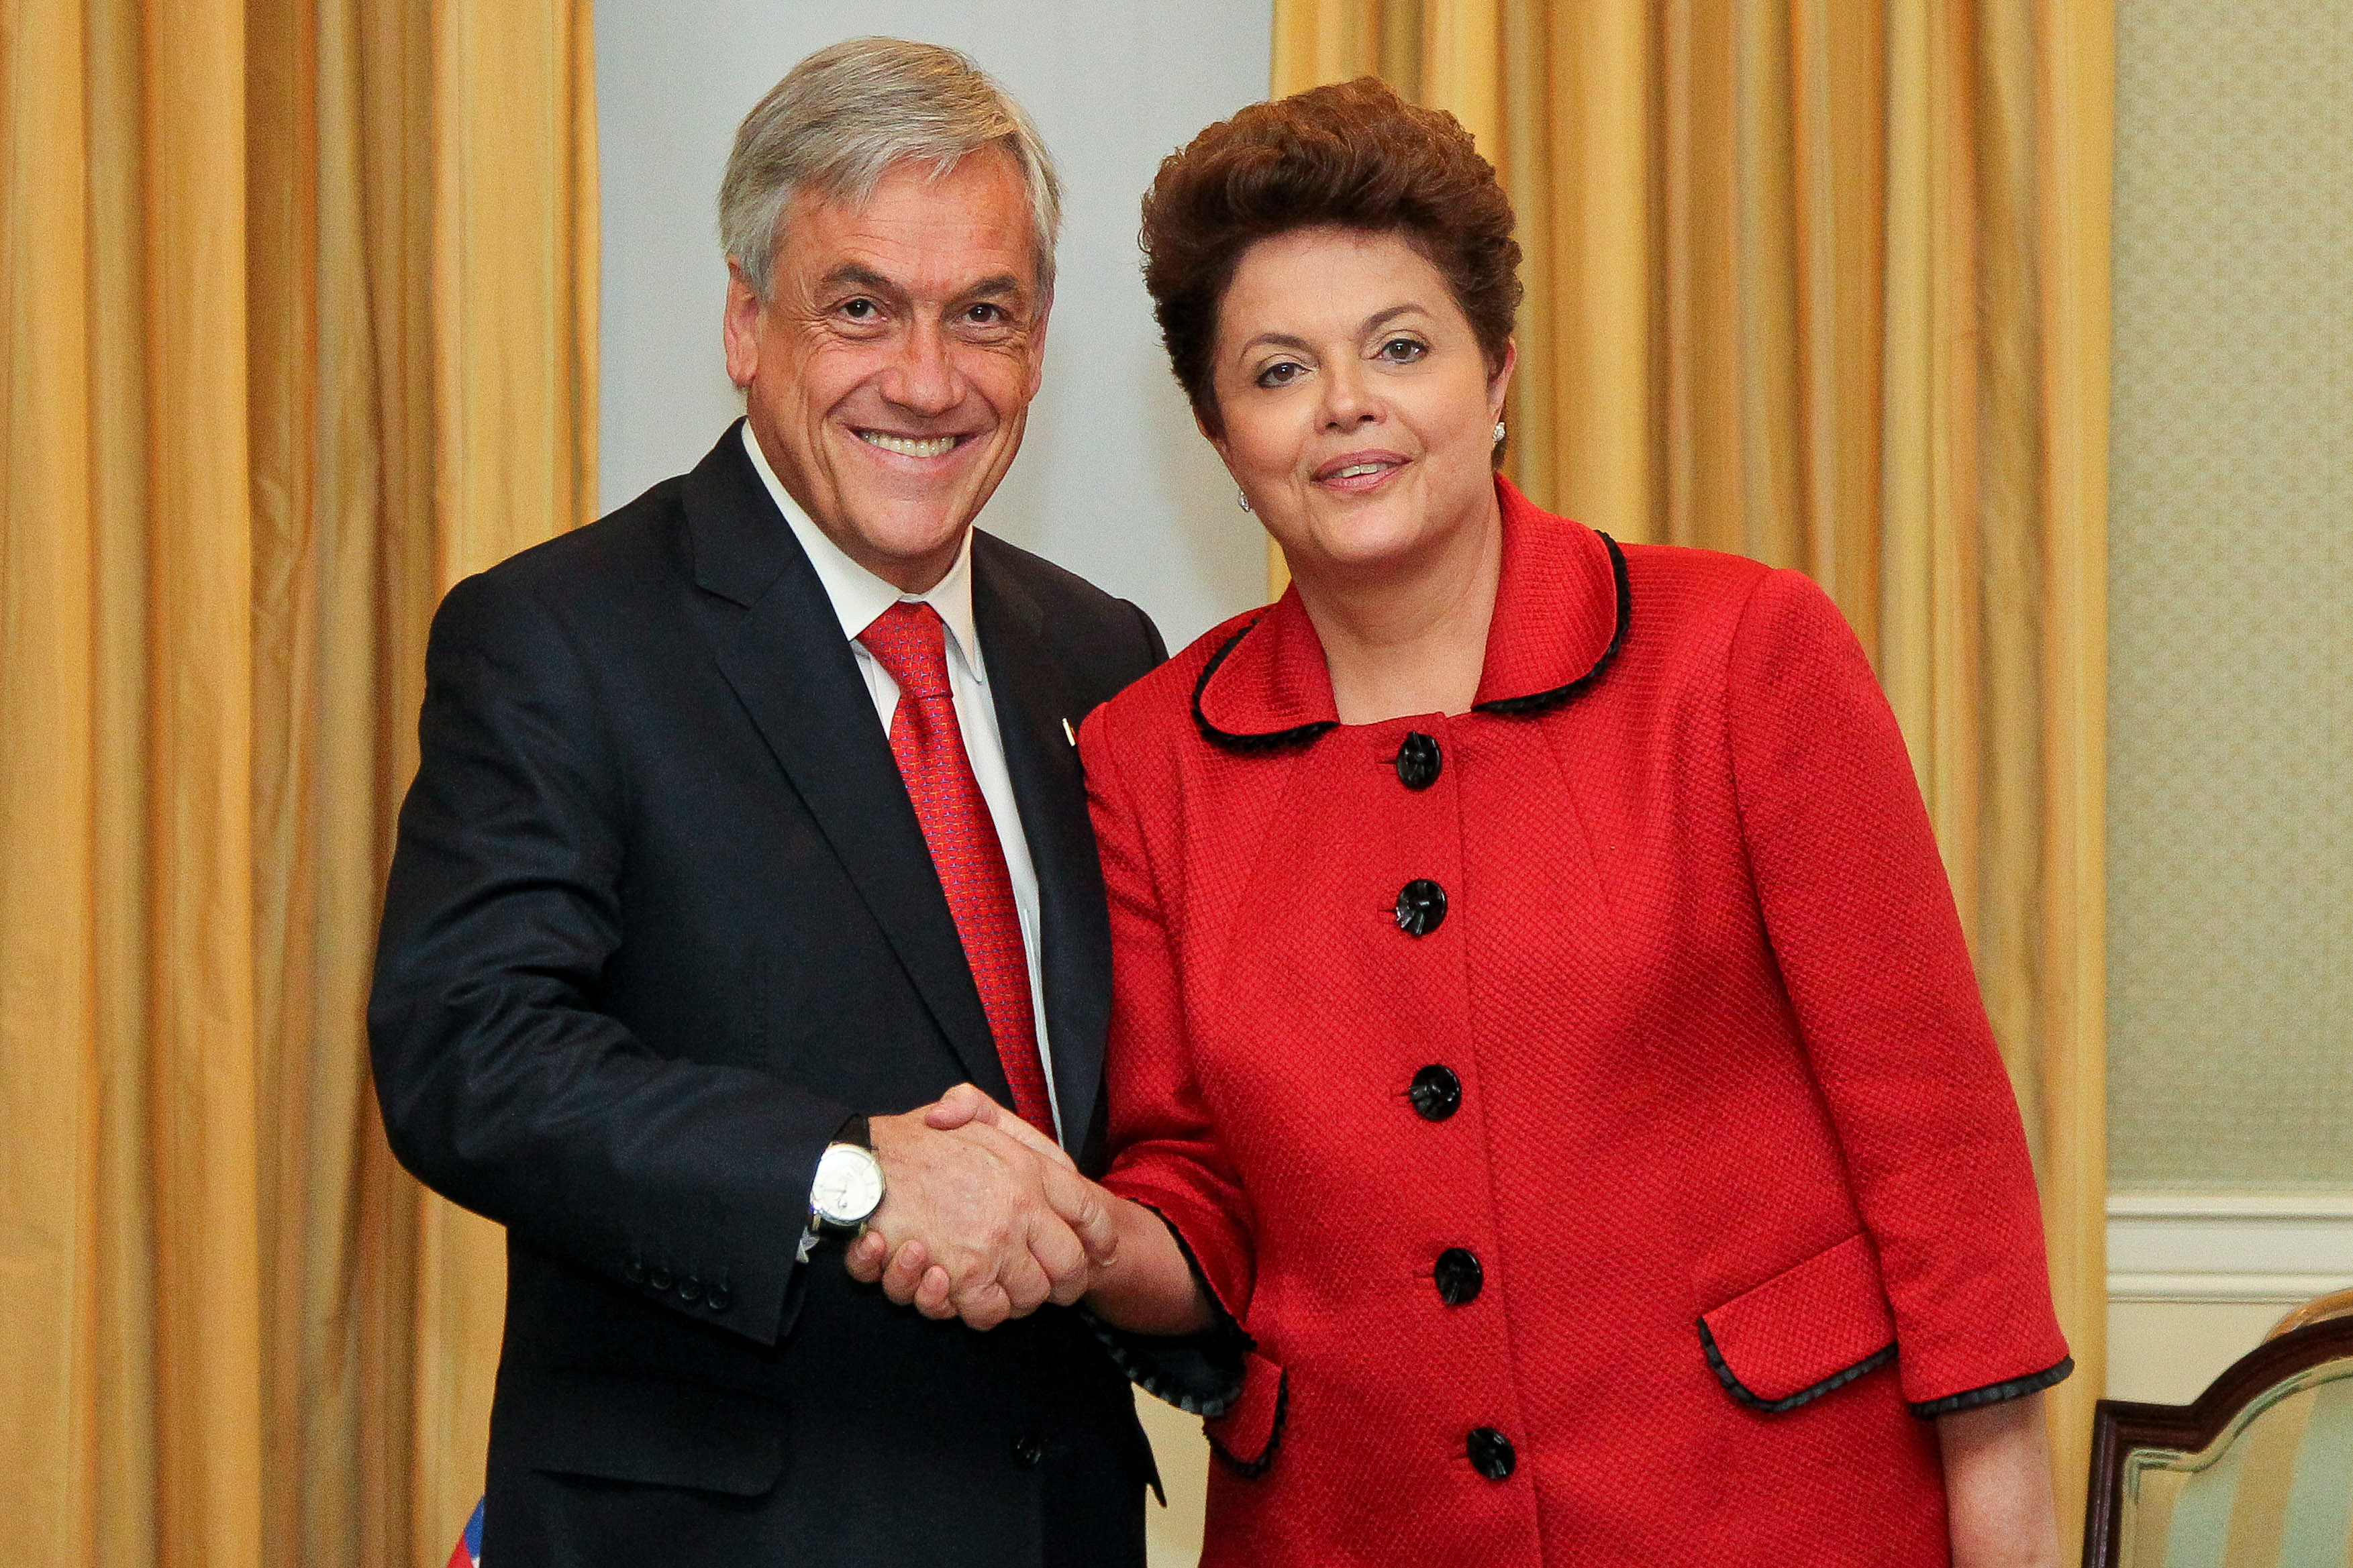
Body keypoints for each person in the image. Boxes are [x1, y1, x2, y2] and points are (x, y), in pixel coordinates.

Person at [908, 78, 2074, 1565]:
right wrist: (1082, 1232)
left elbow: (1936, 1139)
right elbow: (1188, 1176)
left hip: (1773, 1511)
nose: (1346, 405)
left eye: (1399, 347)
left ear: (1498, 372)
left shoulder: (1740, 650)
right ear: (1217, 429)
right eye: (1277, 369)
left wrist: (2004, 1512)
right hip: (1349, 1525)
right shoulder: (1151, 753)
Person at [369, 38, 1165, 1568]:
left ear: (1041, 343)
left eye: (981, 315)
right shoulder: (560, 634)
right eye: (858, 306)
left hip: (1053, 1516)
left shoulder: (1103, 650)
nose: (927, 380)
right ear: (746, 322)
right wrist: (847, 1174)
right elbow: (466, 1049)